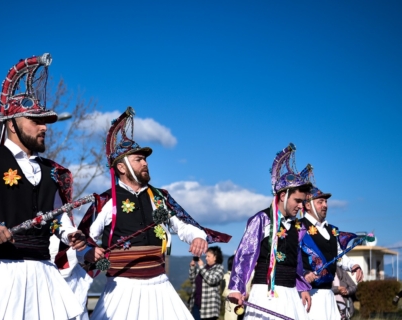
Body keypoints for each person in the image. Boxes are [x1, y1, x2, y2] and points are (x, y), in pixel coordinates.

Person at [0, 53, 85, 320]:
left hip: (44, 276)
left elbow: (57, 217)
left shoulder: (52, 171)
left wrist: (69, 235)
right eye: (35, 120)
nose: (44, 127)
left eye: (45, 121)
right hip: (0, 274)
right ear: (11, 125)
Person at [78, 107, 231, 320]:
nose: (145, 163)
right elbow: (81, 240)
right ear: (121, 167)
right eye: (139, 159)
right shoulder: (105, 201)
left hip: (161, 286)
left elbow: (183, 224)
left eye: (145, 159)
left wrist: (197, 236)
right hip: (121, 289)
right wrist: (87, 252)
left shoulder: (159, 196)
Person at [227, 143, 312, 320]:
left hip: (291, 296)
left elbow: (296, 262)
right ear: (283, 196)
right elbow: (245, 254)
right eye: (297, 200)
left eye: (302, 202)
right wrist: (236, 288)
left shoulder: (297, 226)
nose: (300, 206)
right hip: (266, 294)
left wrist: (302, 287)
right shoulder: (261, 220)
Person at [298, 168, 363, 320]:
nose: (325, 205)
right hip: (308, 294)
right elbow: (291, 258)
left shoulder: (332, 230)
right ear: (308, 205)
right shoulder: (297, 227)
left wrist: (353, 265)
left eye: (326, 201)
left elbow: (339, 256)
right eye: (320, 202)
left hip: (329, 295)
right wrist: (303, 275)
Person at [189, 246, 225, 320]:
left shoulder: (219, 268)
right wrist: (192, 268)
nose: (206, 258)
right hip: (196, 304)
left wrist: (201, 267)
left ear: (215, 257)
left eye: (208, 256)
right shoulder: (203, 267)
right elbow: (193, 281)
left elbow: (212, 280)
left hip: (209, 307)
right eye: (206, 256)